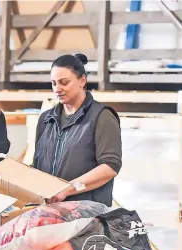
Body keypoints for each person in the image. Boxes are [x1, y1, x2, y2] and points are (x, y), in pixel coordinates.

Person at [33, 53, 122, 207]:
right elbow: (37, 165)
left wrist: (67, 189)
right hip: (48, 211)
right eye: (54, 83)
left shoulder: (102, 116)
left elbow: (110, 167)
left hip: (87, 214)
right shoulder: (47, 119)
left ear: (82, 81)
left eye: (64, 82)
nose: (57, 89)